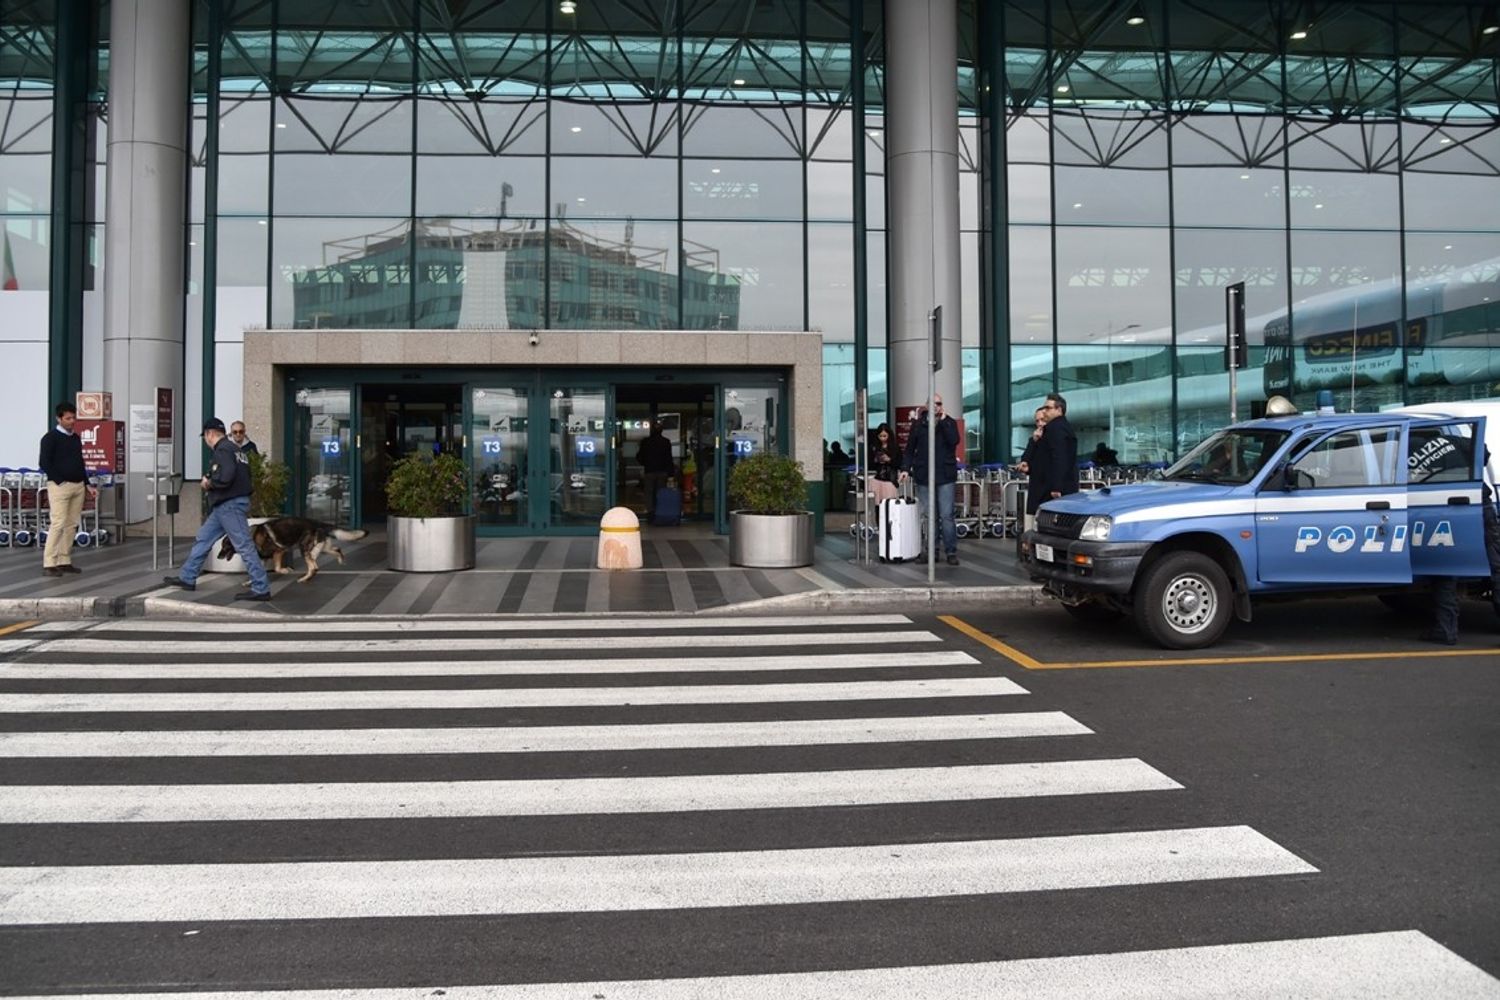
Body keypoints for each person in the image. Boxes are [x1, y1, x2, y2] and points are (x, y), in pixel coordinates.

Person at [163, 418, 273, 601]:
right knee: (203, 538)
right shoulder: (237, 450)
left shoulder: (222, 450)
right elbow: (241, 474)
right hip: (226, 506)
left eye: (205, 437)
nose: (206, 441)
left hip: (229, 505)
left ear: (209, 434)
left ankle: (261, 587)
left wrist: (209, 483)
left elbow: (226, 476)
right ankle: (187, 577)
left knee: (244, 546)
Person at [900, 395, 961, 565]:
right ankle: (931, 551)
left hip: (945, 476)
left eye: (939, 403)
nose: (936, 406)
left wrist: (942, 421)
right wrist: (905, 469)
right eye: (933, 403)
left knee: (946, 515)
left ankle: (951, 552)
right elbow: (910, 449)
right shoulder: (918, 424)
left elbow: (954, 440)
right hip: (924, 475)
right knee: (929, 515)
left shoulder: (949, 422)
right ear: (926, 405)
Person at [37, 402, 92, 577]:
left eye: (73, 418)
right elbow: (44, 462)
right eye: (68, 418)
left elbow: (79, 462)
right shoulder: (50, 438)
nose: (72, 421)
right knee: (58, 522)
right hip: (60, 486)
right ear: (59, 418)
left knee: (71, 524)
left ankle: (64, 559)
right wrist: (59, 481)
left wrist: (87, 483)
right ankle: (49, 562)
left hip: (77, 485)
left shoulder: (75, 438)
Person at [1032, 392, 1079, 507]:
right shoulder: (1062, 427)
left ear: (1059, 410)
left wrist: (1056, 486)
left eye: (1048, 408)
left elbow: (1059, 456)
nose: (1044, 411)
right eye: (1044, 408)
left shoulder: (1055, 428)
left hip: (1054, 489)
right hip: (1061, 485)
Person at [636, 421, 675, 521]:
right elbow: (669, 458)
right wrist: (671, 473)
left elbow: (640, 456)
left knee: (649, 492)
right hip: (662, 471)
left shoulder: (646, 442)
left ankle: (650, 513)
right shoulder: (666, 442)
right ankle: (659, 511)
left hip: (649, 470)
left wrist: (645, 463)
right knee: (660, 492)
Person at [868, 422, 900, 504]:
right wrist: (876, 460)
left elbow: (899, 463)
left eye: (885, 436)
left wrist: (889, 460)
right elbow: (869, 464)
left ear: (889, 435)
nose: (882, 438)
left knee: (889, 505)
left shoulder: (894, 447)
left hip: (890, 480)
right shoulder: (874, 447)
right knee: (876, 505)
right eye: (880, 436)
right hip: (877, 479)